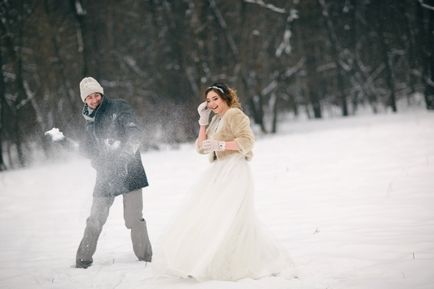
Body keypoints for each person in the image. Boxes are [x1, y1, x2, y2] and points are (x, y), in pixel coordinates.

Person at [153, 82, 294, 281]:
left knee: (230, 217)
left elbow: (248, 141)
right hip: (219, 171)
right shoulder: (216, 120)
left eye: (215, 99)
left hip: (235, 169)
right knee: (213, 216)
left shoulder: (234, 115)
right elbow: (201, 148)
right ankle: (213, 260)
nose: (211, 103)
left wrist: (222, 144)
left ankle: (241, 262)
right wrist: (203, 122)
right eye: (208, 100)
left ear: (226, 98)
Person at [75, 77, 152, 269]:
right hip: (106, 174)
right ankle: (82, 260)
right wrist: (63, 143)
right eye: (88, 98)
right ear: (84, 100)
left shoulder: (118, 107)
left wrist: (126, 155)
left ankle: (145, 259)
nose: (93, 100)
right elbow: (87, 150)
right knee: (95, 218)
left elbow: (135, 132)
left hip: (129, 169)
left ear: (101, 93)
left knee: (133, 218)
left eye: (95, 95)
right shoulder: (89, 120)